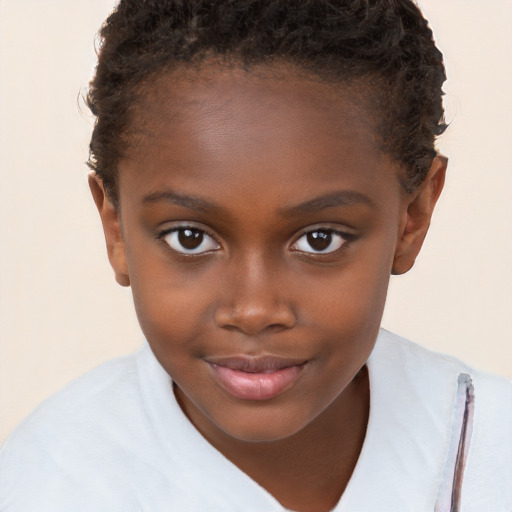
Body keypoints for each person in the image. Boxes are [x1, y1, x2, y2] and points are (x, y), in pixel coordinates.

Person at [0, 1, 510, 510]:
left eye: (319, 239)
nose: (254, 310)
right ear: (116, 229)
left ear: (412, 217)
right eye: (190, 238)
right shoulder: (48, 482)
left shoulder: (492, 447)